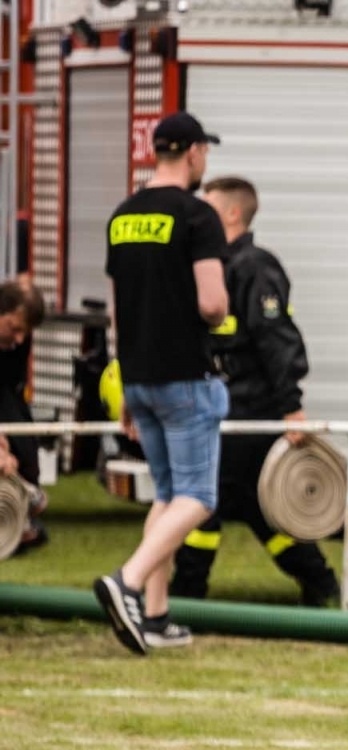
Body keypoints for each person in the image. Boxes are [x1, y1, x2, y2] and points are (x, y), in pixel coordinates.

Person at [93, 111, 229, 654]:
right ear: (194, 153)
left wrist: (124, 381)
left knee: (169, 494)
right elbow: (213, 303)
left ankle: (155, 616)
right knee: (198, 497)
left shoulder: (123, 215)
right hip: (187, 376)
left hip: (140, 377)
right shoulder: (199, 216)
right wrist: (217, 319)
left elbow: (116, 310)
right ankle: (125, 584)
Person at [168, 176, 339, 605]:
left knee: (204, 499)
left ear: (231, 214)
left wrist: (291, 408)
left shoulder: (255, 268)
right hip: (221, 408)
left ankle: (187, 593)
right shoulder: (215, 266)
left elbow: (276, 340)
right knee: (256, 507)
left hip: (250, 411)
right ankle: (320, 584)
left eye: (208, 209)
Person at [0, 280, 47, 545]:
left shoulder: (20, 340)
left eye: (25, 333)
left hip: (6, 393)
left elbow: (13, 388)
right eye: (14, 329)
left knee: (26, 449)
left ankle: (23, 504)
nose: (19, 339)